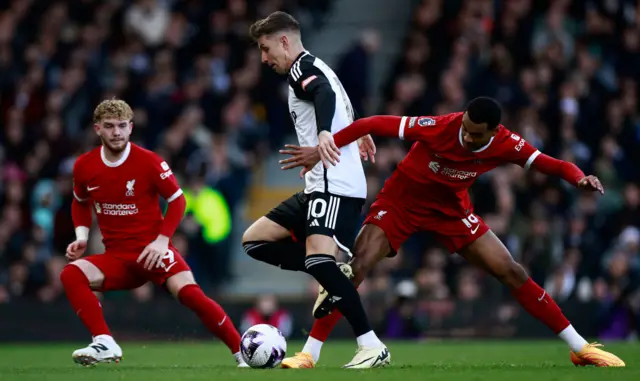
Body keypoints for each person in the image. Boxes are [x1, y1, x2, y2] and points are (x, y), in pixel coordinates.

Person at [278, 97, 625, 367]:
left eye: (476, 134)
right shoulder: (439, 125)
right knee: (356, 266)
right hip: (402, 202)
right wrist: (322, 150)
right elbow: (371, 123)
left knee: (512, 271)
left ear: (494, 132)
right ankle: (310, 355)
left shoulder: (507, 143)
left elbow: (551, 163)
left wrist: (578, 177)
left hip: (452, 211)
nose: (467, 135)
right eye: (466, 128)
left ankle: (580, 348)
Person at [242, 11, 388, 369]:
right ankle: (331, 274)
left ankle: (371, 344)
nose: (264, 58)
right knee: (254, 240)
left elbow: (323, 93)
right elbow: (336, 93)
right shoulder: (318, 64)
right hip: (320, 184)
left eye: (265, 48)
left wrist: (325, 132)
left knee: (317, 260)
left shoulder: (300, 70)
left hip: (332, 184)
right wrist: (355, 128)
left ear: (285, 42)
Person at [60, 99, 246, 367]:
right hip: (117, 259)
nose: (116, 133)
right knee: (71, 273)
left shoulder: (149, 162)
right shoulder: (84, 166)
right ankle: (104, 341)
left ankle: (241, 352)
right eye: (110, 127)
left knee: (191, 295)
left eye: (122, 126)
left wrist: (162, 241)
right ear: (98, 129)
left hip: (153, 253)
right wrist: (81, 236)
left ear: (131, 128)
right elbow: (79, 201)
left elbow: (178, 201)